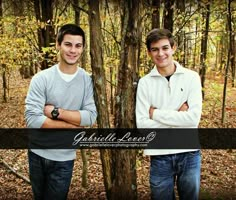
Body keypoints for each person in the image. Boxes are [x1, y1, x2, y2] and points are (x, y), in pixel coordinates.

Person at [25, 24, 97, 200]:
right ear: (58, 45)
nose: (73, 50)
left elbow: (90, 117)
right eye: (68, 44)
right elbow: (33, 120)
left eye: (78, 45)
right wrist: (72, 126)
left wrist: (55, 112)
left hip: (64, 158)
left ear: (83, 48)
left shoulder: (87, 81)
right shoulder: (41, 78)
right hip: (37, 154)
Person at [135, 28, 202, 200]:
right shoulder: (145, 83)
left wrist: (155, 113)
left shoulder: (192, 77)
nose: (161, 53)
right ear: (149, 52)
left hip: (189, 153)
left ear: (173, 47)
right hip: (159, 155)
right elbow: (142, 125)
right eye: (155, 49)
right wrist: (178, 116)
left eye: (165, 48)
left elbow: (193, 119)